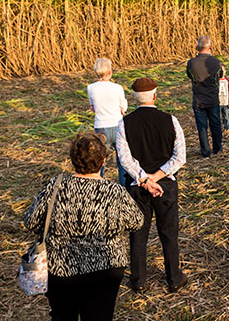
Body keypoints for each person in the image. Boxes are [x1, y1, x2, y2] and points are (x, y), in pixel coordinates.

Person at [23, 132, 144, 320]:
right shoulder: (115, 192)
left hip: (60, 268)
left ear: (72, 159)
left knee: (63, 316)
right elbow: (137, 221)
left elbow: (31, 221)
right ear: (103, 161)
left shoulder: (55, 186)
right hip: (106, 267)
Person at [116, 78, 189, 293]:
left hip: (137, 186)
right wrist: (156, 178)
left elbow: (124, 158)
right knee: (169, 232)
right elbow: (180, 157)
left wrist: (145, 179)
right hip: (165, 184)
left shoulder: (125, 123)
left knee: (138, 233)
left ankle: (138, 280)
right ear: (155, 96)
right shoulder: (171, 120)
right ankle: (174, 278)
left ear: (134, 98)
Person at [87, 57, 128, 177]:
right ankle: (123, 188)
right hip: (118, 125)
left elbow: (92, 107)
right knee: (122, 161)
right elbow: (123, 107)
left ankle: (98, 184)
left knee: (99, 161)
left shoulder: (91, 88)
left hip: (101, 127)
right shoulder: (117, 88)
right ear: (109, 72)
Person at [186, 36, 224, 159]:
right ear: (209, 46)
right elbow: (221, 75)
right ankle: (217, 149)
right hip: (213, 99)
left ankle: (205, 152)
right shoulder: (216, 62)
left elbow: (190, 76)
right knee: (216, 124)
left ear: (198, 47)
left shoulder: (192, 63)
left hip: (198, 100)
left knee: (202, 127)